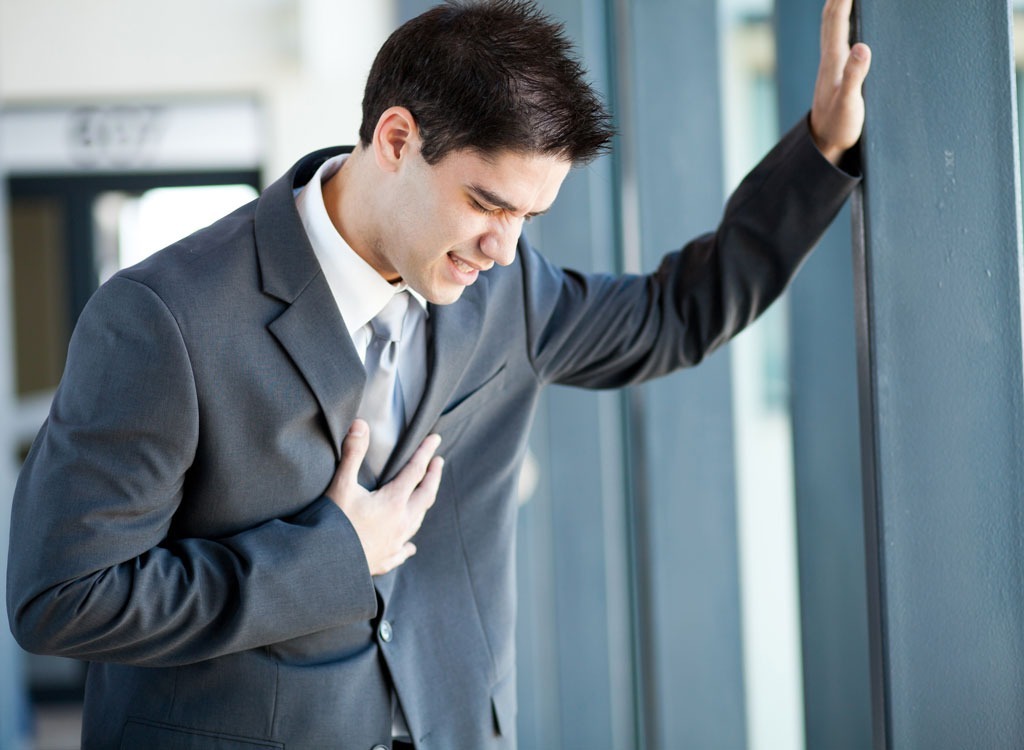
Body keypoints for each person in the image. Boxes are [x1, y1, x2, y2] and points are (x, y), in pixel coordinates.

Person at [7, 0, 870, 747]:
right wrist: (330, 557)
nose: (504, 249)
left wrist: (821, 152)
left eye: (530, 216)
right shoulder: (163, 318)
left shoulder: (509, 292)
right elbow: (62, 597)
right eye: (487, 204)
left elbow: (677, 315)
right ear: (396, 138)